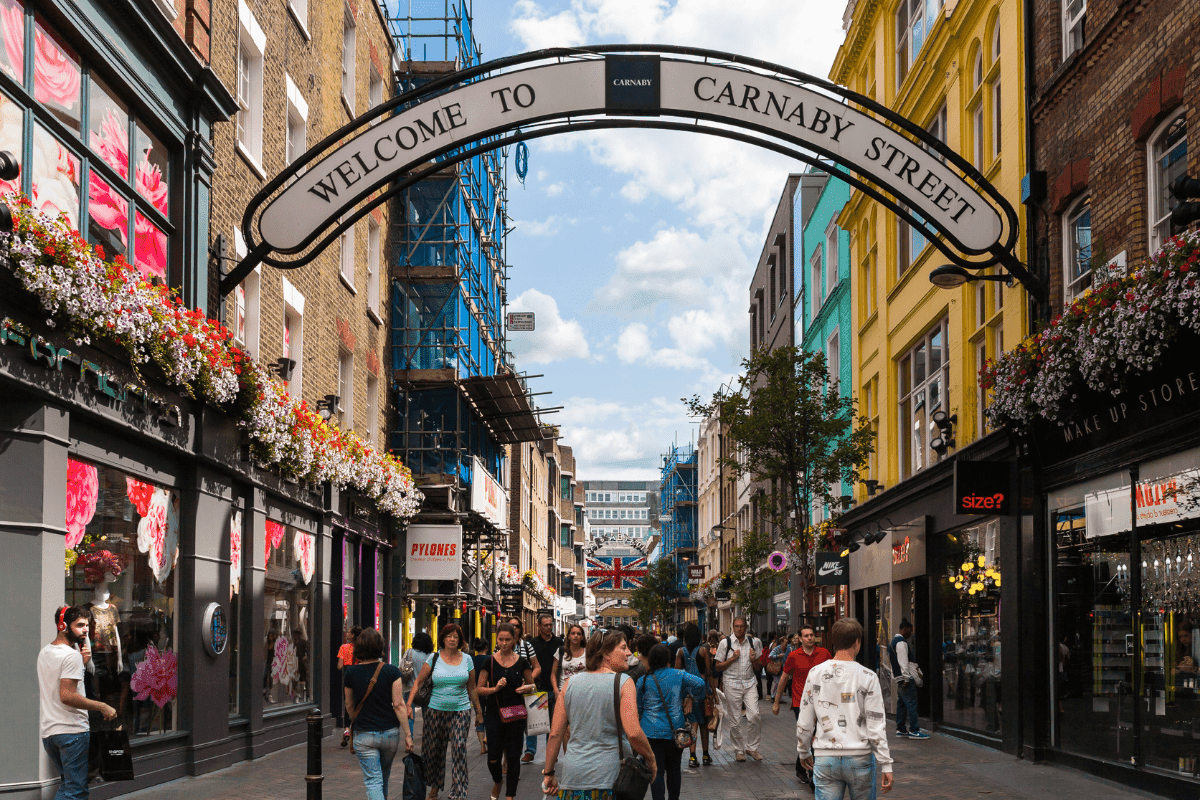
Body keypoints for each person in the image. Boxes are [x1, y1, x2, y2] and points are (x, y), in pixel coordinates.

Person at [540, 630, 657, 799]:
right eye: (623, 648)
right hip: (611, 780)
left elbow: (555, 734)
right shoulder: (624, 682)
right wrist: (651, 760)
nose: (629, 653)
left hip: (573, 779)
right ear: (606, 654)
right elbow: (633, 732)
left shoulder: (570, 684)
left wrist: (549, 772)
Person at [797, 618, 894, 799]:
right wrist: (885, 763)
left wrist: (803, 750)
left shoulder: (815, 673)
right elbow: (876, 725)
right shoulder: (868, 677)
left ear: (834, 642)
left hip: (825, 757)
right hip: (859, 757)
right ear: (857, 643)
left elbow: (805, 720)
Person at [39, 606, 117, 800]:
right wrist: (102, 706)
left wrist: (81, 665)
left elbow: (58, 686)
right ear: (62, 625)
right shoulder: (70, 655)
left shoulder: (46, 652)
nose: (85, 630)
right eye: (80, 625)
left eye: (87, 626)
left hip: (50, 733)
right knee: (76, 791)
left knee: (67, 785)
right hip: (71, 732)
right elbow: (67, 696)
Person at [407, 623, 483, 800]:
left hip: (461, 711)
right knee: (434, 752)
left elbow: (472, 688)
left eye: (456, 636)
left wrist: (478, 711)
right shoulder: (434, 658)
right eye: (449, 636)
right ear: (442, 638)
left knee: (458, 748)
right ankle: (434, 789)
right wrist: (409, 705)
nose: (452, 639)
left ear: (460, 640)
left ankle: (459, 791)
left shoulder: (467, 659)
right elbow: (417, 682)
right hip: (435, 711)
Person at [343, 628, 414, 800]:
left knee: (373, 780)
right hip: (390, 733)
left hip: (364, 734)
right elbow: (398, 705)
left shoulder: (351, 672)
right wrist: (408, 734)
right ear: (380, 647)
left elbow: (349, 703)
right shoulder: (391, 671)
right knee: (383, 776)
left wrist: (355, 717)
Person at [638, 644, 707, 800]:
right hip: (675, 731)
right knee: (674, 770)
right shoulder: (678, 674)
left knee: (656, 770)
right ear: (667, 659)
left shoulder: (643, 680)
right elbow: (700, 684)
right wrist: (690, 696)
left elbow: (639, 707)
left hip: (651, 732)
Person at [477, 623, 536, 800]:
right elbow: (479, 688)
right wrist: (495, 689)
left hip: (516, 714)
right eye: (501, 639)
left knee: (513, 757)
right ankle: (497, 781)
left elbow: (533, 685)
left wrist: (525, 689)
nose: (504, 643)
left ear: (515, 640)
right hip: (495, 715)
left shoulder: (522, 661)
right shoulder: (490, 661)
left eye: (508, 640)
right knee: (493, 759)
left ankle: (510, 796)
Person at [773, 624, 832, 785]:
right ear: (800, 638)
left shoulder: (824, 654)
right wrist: (776, 701)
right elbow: (784, 678)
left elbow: (832, 676)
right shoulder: (793, 656)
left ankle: (801, 768)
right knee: (810, 735)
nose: (810, 638)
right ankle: (813, 774)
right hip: (801, 703)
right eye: (806, 636)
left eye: (812, 635)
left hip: (821, 702)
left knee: (815, 736)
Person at [713, 616, 763, 761]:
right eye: (736, 626)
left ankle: (752, 748)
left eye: (742, 626)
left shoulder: (754, 642)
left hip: (749, 683)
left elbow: (759, 667)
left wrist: (754, 659)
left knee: (754, 715)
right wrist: (732, 659)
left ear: (746, 628)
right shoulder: (725, 643)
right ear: (733, 627)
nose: (739, 629)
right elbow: (717, 666)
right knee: (735, 719)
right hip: (731, 683)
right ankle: (739, 750)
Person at [523, 614, 563, 763]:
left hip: (554, 687)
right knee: (533, 721)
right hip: (537, 686)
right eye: (545, 625)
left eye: (550, 624)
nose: (549, 627)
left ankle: (550, 751)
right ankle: (530, 751)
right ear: (538, 626)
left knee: (553, 723)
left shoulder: (559, 642)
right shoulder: (531, 643)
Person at [674, 623, 712, 767]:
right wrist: (712, 691)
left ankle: (692, 757)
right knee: (704, 724)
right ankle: (706, 755)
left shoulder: (681, 652)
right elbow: (708, 672)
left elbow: (677, 671)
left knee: (692, 723)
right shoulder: (703, 651)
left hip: (687, 691)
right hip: (702, 689)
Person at [888, 619, 928, 739]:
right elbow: (903, 661)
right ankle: (914, 730)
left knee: (901, 704)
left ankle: (901, 729)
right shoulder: (901, 642)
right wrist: (906, 677)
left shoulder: (893, 642)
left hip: (898, 678)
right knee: (911, 703)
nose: (911, 634)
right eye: (910, 631)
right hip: (905, 678)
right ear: (904, 629)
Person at [404, 632, 434, 737]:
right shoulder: (431, 656)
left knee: (409, 715)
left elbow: (401, 667)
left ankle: (409, 738)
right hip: (425, 690)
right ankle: (428, 736)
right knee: (427, 715)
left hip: (409, 688)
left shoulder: (409, 652)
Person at [338, 625, 363, 747]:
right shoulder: (362, 648)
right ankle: (357, 731)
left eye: (348, 632)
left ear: (352, 635)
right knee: (359, 704)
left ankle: (347, 729)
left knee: (348, 703)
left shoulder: (344, 647)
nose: (346, 634)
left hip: (348, 676)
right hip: (359, 676)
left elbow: (339, 666)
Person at [551, 623, 587, 695]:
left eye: (579, 634)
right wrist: (556, 690)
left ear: (582, 637)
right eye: (573, 633)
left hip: (582, 692)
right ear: (568, 636)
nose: (575, 636)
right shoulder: (561, 651)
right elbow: (553, 674)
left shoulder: (587, 652)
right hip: (563, 691)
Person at [472, 638, 492, 755]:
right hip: (487, 691)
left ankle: (482, 747)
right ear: (486, 648)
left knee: (479, 716)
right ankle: (487, 738)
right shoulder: (490, 659)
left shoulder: (471, 660)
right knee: (489, 716)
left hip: (475, 692)